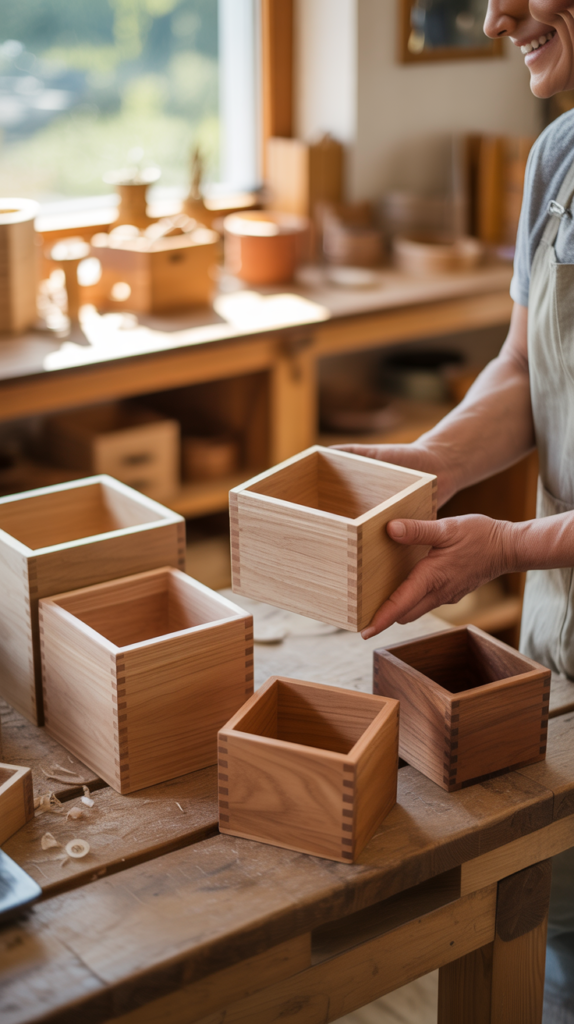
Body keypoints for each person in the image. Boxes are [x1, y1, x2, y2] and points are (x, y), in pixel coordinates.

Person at [339, 0, 574, 1010]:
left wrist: (511, 542)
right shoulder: (560, 154)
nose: (494, 17)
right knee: (558, 945)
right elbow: (524, 369)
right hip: (563, 653)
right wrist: (431, 464)